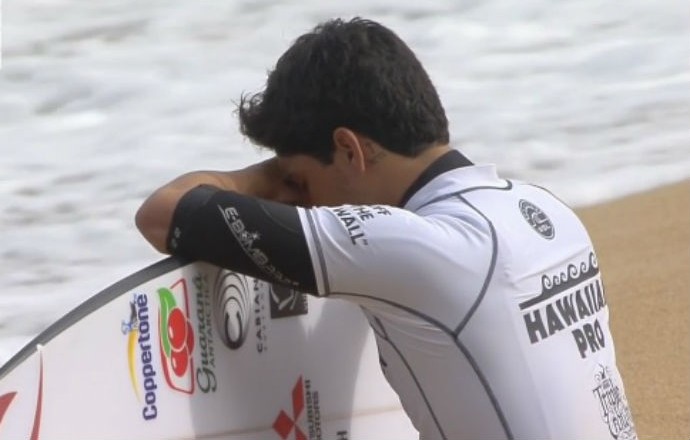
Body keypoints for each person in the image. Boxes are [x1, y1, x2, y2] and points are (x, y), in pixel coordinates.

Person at [135, 17, 637, 440]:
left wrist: (261, 179)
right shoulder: (546, 211)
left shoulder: (413, 247)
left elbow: (162, 212)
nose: (297, 198)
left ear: (349, 150)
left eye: (299, 180)